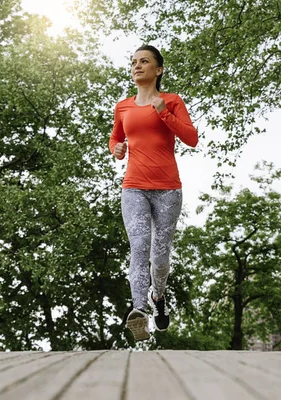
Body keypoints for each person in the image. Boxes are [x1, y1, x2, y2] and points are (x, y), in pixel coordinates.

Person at [109, 45, 198, 341]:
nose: (137, 66)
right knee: (139, 245)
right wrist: (117, 150)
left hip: (168, 190)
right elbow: (115, 140)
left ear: (158, 70)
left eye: (144, 62)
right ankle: (139, 310)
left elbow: (191, 138)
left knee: (160, 256)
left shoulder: (171, 101)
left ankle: (158, 296)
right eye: (134, 62)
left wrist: (164, 113)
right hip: (133, 187)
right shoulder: (123, 106)